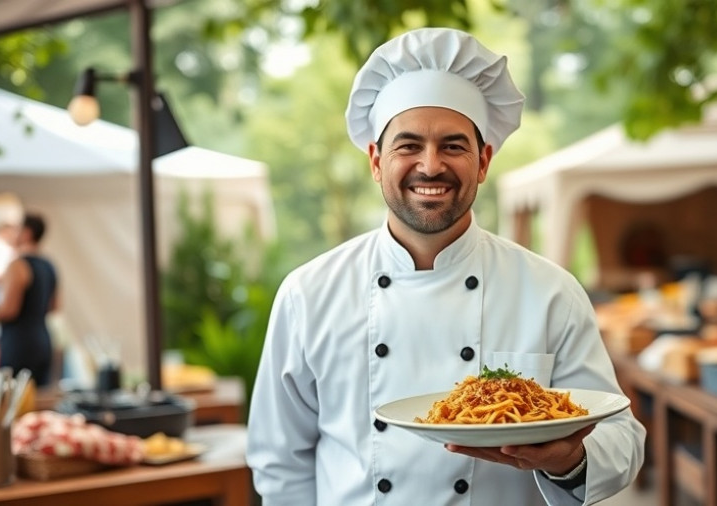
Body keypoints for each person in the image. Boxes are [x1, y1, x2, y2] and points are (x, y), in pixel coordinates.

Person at [246, 28, 645, 505]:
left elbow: (623, 439)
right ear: (376, 161)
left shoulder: (550, 291)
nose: (430, 166)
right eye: (408, 145)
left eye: (453, 146)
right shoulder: (307, 293)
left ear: (483, 161)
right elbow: (280, 463)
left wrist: (567, 461)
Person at [0, 213, 58, 386]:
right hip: (43, 340)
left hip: (19, 343)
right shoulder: (49, 265)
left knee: (11, 399)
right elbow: (54, 307)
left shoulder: (17, 265)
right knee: (38, 397)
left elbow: (9, 310)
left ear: (27, 233)